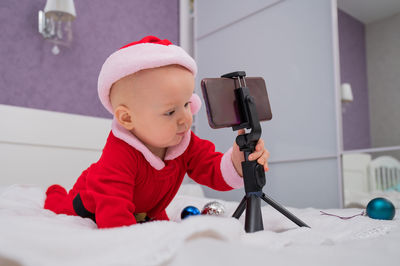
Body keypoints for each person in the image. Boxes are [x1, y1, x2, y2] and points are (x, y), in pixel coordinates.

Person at [44, 36, 270, 228]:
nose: (185, 118)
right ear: (127, 118)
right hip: (89, 202)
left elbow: (212, 170)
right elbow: (114, 215)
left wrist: (237, 161)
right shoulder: (120, 154)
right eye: (170, 111)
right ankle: (55, 192)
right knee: (60, 207)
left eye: (186, 104)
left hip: (144, 208)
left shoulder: (184, 142)